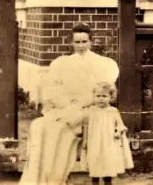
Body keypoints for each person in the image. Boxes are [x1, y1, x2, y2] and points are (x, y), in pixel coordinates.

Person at [20, 23, 119, 185]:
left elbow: (103, 92)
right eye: (77, 42)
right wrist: (65, 104)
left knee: (59, 130)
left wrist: (79, 104)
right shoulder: (61, 63)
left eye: (84, 41)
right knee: (39, 126)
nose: (81, 46)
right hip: (65, 108)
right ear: (71, 43)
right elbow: (51, 89)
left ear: (91, 42)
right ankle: (38, 179)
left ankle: (56, 179)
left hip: (89, 109)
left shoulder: (103, 63)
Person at [82, 82, 134, 185]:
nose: (101, 99)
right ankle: (95, 181)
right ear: (94, 96)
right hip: (94, 142)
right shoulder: (90, 111)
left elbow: (120, 125)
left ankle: (108, 181)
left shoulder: (113, 111)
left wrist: (118, 132)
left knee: (108, 162)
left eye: (104, 96)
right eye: (98, 96)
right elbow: (86, 126)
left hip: (108, 142)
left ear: (111, 97)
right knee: (94, 161)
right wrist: (85, 139)